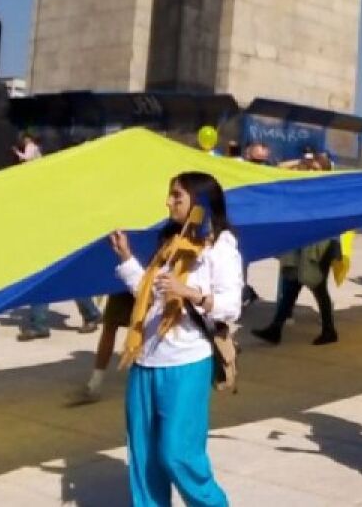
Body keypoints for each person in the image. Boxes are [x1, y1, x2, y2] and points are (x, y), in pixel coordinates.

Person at [108, 171, 242, 507]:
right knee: (144, 456)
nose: (168, 202)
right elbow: (149, 295)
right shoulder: (170, 242)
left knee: (177, 454)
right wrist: (126, 258)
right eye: (170, 195)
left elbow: (229, 307)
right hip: (146, 358)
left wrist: (191, 293)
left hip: (186, 361)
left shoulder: (219, 249)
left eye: (177, 196)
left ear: (200, 204)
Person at [15, 135, 102, 340]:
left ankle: (42, 324)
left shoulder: (61, 179)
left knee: (48, 278)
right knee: (59, 278)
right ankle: (88, 315)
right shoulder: (59, 177)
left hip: (62, 235)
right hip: (55, 234)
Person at [252, 161, 341, 345]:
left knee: (318, 287)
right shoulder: (304, 188)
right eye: (309, 167)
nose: (310, 171)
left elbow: (335, 220)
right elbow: (279, 170)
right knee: (292, 285)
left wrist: (333, 250)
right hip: (302, 246)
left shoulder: (329, 191)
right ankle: (276, 329)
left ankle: (329, 330)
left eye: (315, 168)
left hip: (321, 247)